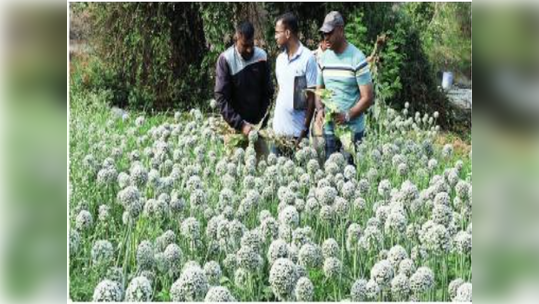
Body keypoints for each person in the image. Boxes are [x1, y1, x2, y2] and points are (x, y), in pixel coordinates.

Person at [315, 11, 374, 162]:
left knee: (350, 180)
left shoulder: (357, 58)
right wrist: (320, 109)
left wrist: (347, 115)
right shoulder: (323, 58)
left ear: (341, 30)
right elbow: (318, 91)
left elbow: (368, 97)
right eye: (323, 34)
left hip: (352, 133)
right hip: (329, 131)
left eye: (329, 33)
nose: (325, 37)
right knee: (330, 180)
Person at [214, 21, 274, 146]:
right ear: (236, 39)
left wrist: (260, 122)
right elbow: (221, 98)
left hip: (258, 129)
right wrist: (241, 125)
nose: (249, 49)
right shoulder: (226, 60)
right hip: (234, 129)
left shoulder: (262, 57)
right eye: (245, 45)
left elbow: (268, 93)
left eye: (252, 44)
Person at [272, 12, 317, 156]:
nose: (275, 37)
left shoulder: (308, 58)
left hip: (297, 134)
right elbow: (281, 90)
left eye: (277, 32)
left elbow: (311, 97)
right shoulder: (280, 59)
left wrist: (304, 131)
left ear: (287, 33)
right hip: (277, 133)